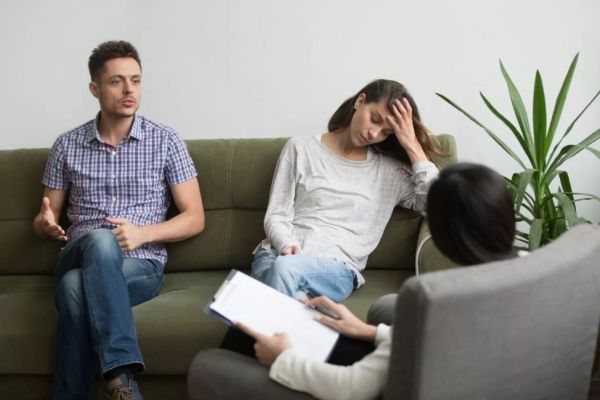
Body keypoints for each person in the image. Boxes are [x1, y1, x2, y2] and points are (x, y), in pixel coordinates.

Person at [235, 162, 518, 400]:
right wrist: (371, 332)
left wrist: (283, 358)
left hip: (368, 387)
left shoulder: (438, 304)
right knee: (381, 309)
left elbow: (351, 388)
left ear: (444, 235)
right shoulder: (530, 269)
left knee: (218, 359)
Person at [33, 41, 205, 400]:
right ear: (94, 88)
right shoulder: (66, 145)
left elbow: (195, 218)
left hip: (140, 265)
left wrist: (143, 234)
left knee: (73, 289)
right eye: (116, 81)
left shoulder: (165, 140)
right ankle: (120, 374)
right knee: (100, 238)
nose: (129, 89)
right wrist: (45, 224)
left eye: (135, 80)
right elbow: (45, 216)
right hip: (79, 252)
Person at [251, 79, 440, 302]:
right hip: (276, 255)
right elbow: (277, 213)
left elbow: (438, 203)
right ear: (360, 101)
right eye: (375, 119)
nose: (374, 134)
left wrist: (412, 144)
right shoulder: (300, 148)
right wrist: (286, 245)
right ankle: (301, 306)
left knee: (279, 278)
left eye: (386, 132)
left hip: (334, 269)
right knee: (286, 278)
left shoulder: (390, 172)